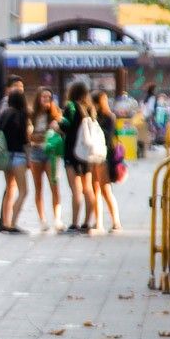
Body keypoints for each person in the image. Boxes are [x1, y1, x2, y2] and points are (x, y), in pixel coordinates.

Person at [60, 81, 97, 232]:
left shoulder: (70, 107)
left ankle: (74, 223)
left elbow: (64, 126)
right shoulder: (90, 109)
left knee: (75, 189)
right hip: (86, 153)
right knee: (88, 188)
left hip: (72, 151)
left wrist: (57, 125)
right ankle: (87, 222)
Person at [28, 87, 63, 232]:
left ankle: (57, 219)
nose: (46, 100)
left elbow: (60, 132)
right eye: (44, 97)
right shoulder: (32, 114)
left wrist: (40, 135)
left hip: (51, 153)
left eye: (49, 97)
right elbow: (30, 136)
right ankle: (42, 220)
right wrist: (43, 135)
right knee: (38, 188)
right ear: (38, 98)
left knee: (54, 185)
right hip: (35, 153)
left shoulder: (56, 115)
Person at [0, 90, 31, 233]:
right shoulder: (22, 115)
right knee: (23, 191)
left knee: (9, 188)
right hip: (18, 156)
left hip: (5, 156)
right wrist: (28, 158)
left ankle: (4, 223)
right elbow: (25, 140)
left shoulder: (4, 114)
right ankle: (13, 223)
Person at [91, 90, 123, 233]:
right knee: (95, 190)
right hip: (93, 155)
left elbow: (108, 136)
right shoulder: (92, 117)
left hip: (104, 156)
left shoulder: (109, 117)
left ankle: (116, 221)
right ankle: (98, 223)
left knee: (105, 189)